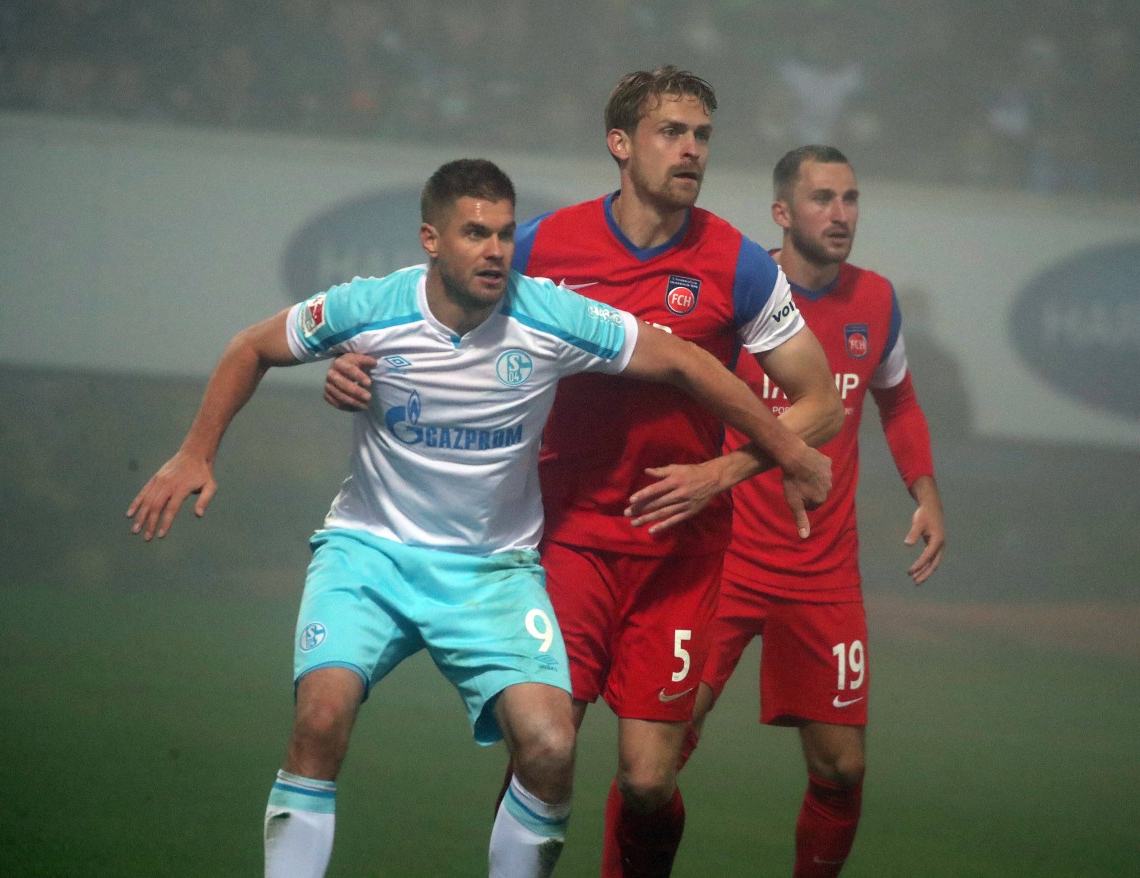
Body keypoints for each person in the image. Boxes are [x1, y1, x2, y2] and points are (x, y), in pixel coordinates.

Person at [126, 157, 833, 878]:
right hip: (370, 555)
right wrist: (194, 454)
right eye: (474, 234)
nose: (494, 250)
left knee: (553, 748)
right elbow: (252, 346)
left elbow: (686, 362)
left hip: (493, 573)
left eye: (502, 233)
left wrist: (786, 452)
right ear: (431, 240)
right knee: (319, 718)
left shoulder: (549, 313)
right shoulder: (369, 308)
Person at [323, 68, 845, 877]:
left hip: (681, 551)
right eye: (672, 132)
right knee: (542, 743)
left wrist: (721, 474)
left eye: (702, 136)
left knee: (645, 780)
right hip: (561, 539)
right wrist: (359, 370)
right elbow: (433, 322)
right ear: (621, 144)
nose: (691, 150)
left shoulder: (738, 264)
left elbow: (819, 405)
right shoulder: (541, 247)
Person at [638, 145, 948, 876]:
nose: (841, 215)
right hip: (724, 558)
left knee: (841, 770)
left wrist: (926, 492)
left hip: (822, 572)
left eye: (850, 199)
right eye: (822, 199)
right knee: (657, 758)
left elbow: (897, 399)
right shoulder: (740, 290)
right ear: (782, 213)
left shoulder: (876, 298)